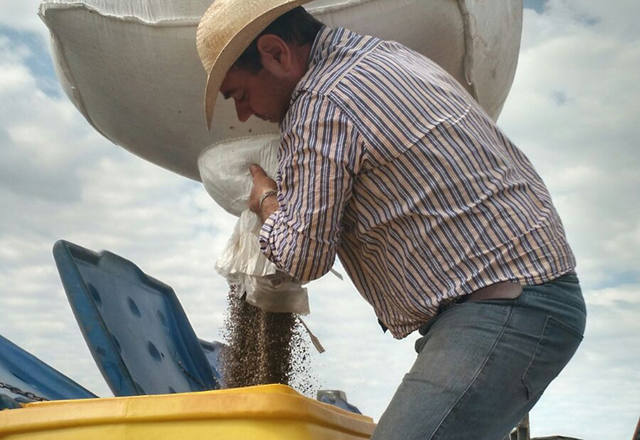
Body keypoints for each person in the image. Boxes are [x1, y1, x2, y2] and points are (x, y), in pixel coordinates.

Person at [196, 2, 587, 439]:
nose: (244, 116)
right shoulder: (383, 57)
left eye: (240, 95)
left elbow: (302, 257)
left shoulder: (320, 102)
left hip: (506, 304)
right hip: (516, 293)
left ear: (276, 54)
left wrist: (264, 198)